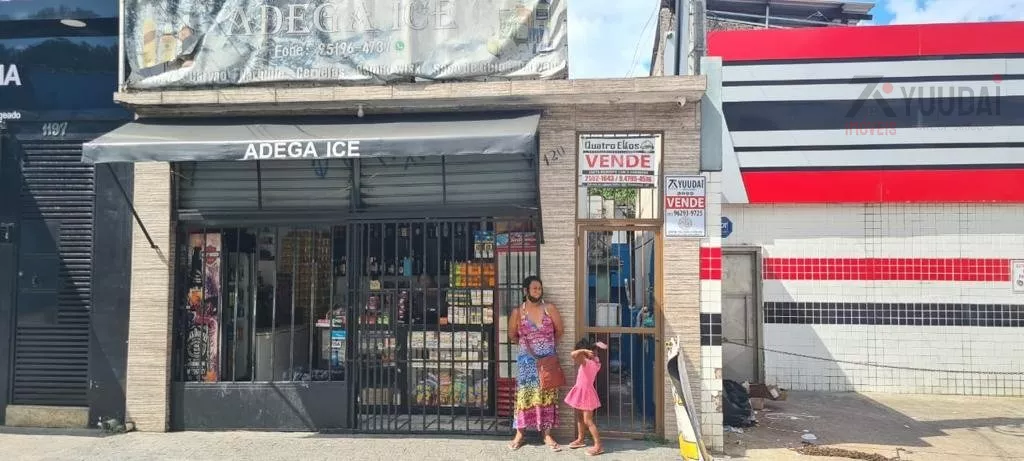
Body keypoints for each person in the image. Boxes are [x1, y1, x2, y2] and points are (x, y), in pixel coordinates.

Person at [507, 276, 565, 452]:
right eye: (534, 288)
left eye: (539, 288)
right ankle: (520, 433)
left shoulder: (550, 309)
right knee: (524, 396)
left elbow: (559, 331)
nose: (538, 291)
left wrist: (546, 346)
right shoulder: (518, 312)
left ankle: (546, 434)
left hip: (547, 362)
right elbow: (512, 335)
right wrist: (527, 347)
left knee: (547, 396)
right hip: (527, 364)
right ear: (526, 291)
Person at [565, 337, 608, 456]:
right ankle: (580, 439)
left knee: (588, 421)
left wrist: (583, 350)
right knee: (580, 417)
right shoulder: (595, 361)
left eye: (581, 353)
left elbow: (573, 354)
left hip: (585, 393)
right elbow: (581, 355)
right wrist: (593, 347)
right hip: (582, 392)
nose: (578, 357)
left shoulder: (587, 363)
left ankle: (598, 446)